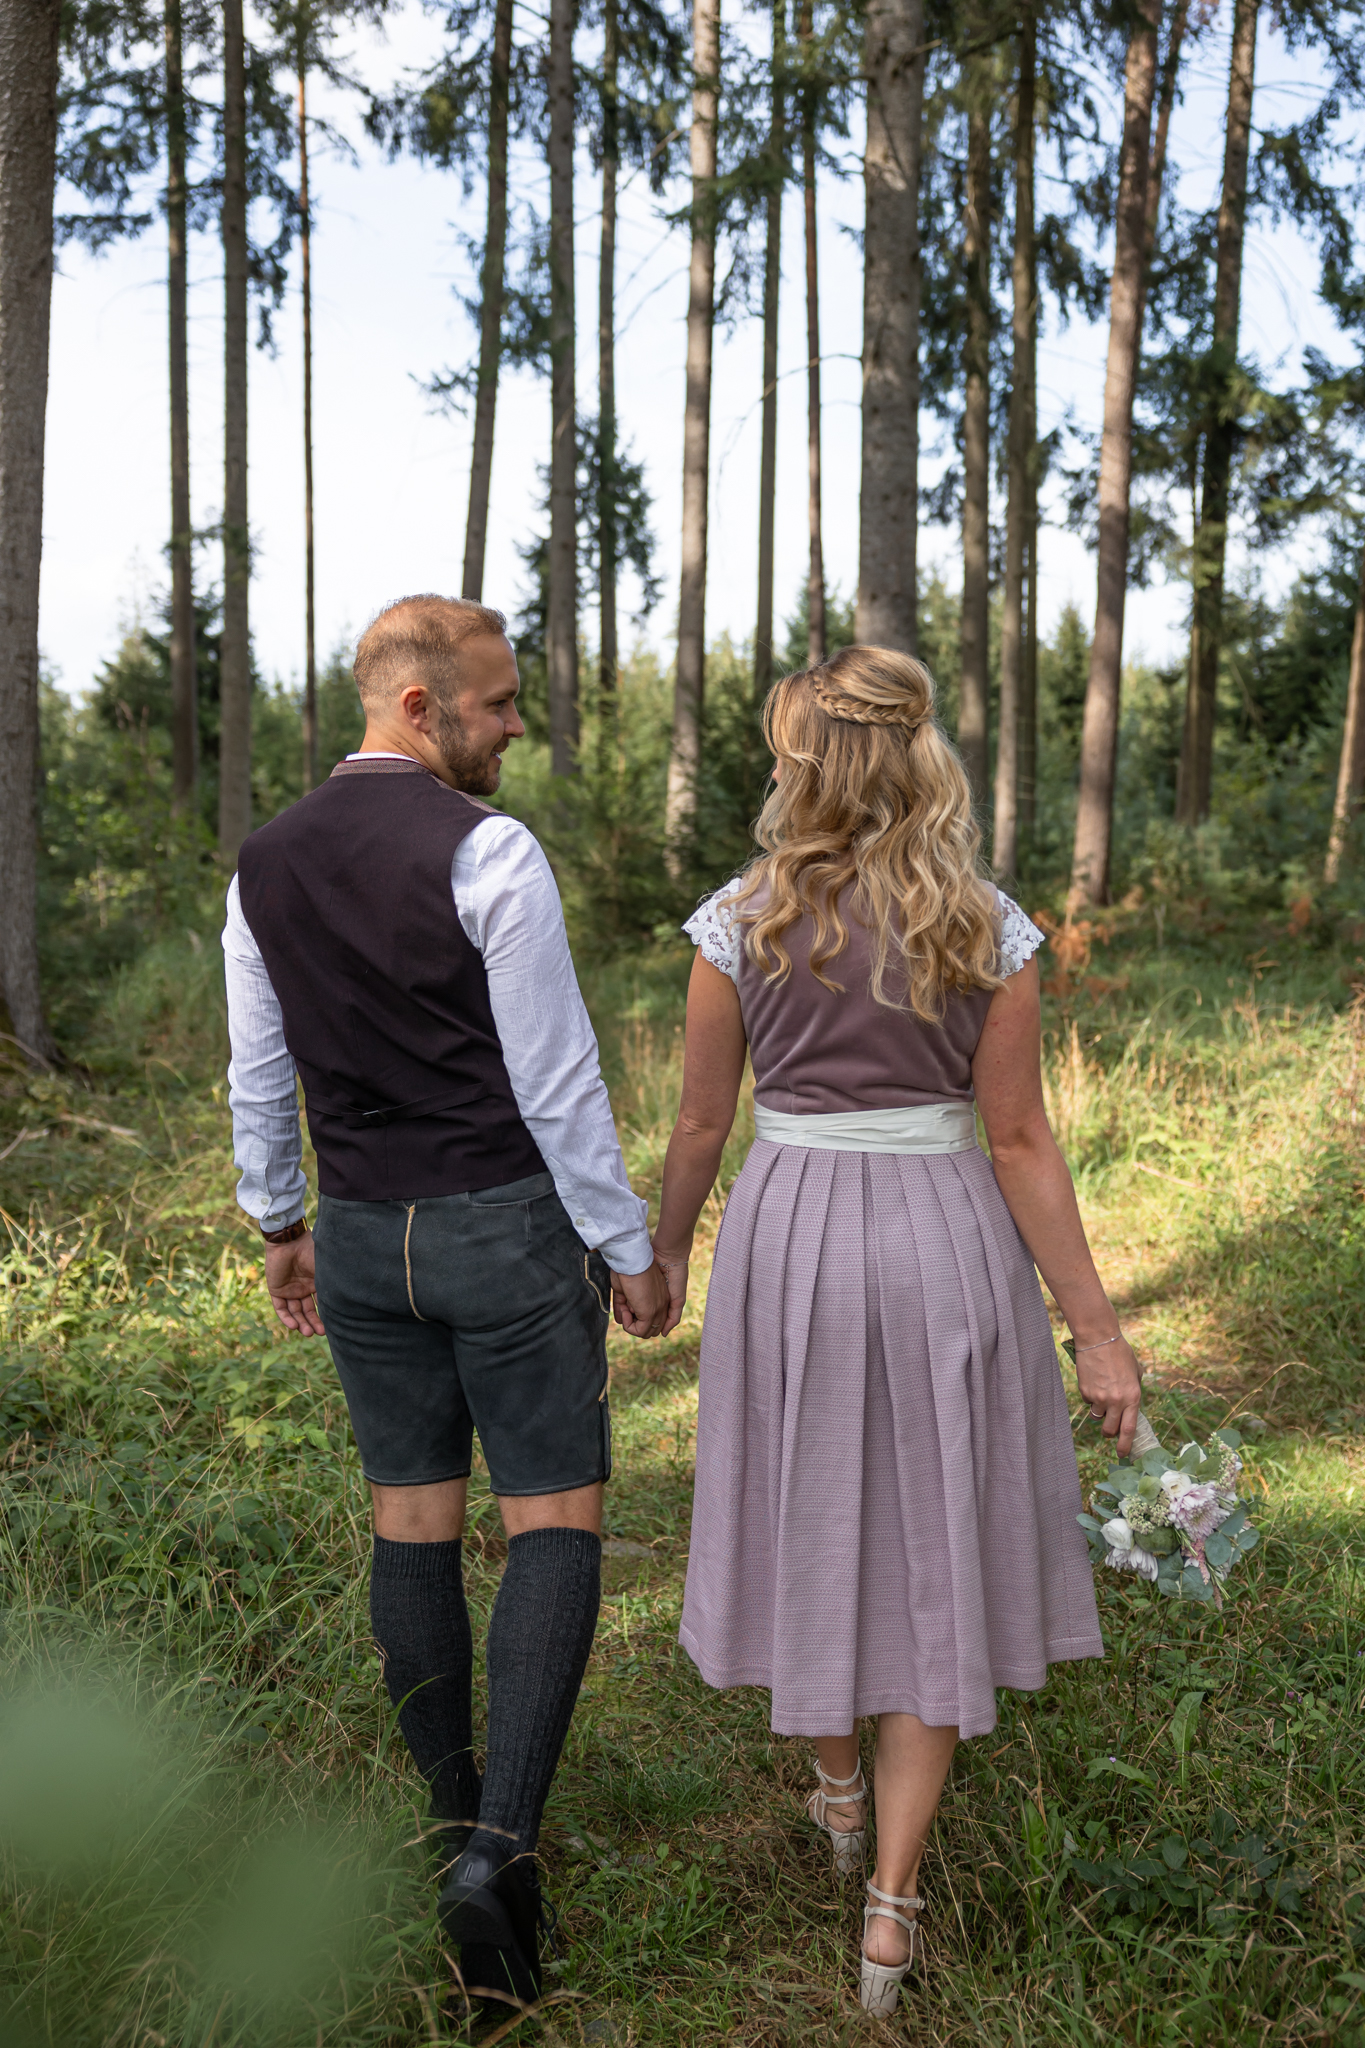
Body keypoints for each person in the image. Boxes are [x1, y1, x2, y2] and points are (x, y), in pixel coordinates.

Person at [649, 647, 1142, 2017]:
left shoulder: (734, 922)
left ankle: (834, 1786)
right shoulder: (981, 923)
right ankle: (890, 1911)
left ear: (797, 759)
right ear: (922, 757)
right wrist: (1093, 1331)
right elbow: (1020, 1138)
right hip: (943, 1242)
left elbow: (699, 1124)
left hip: (793, 1235)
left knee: (807, 1514)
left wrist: (663, 1252)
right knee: (935, 1536)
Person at [221, 594, 669, 2019]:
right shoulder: (489, 849)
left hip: (357, 1239)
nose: (515, 723)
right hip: (500, 1229)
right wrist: (627, 1240)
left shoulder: (266, 861)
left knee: (408, 1522)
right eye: (496, 701)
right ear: (416, 705)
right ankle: (500, 1853)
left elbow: (258, 1061)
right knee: (554, 1515)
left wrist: (278, 1219)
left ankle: (450, 1837)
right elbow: (554, 1077)